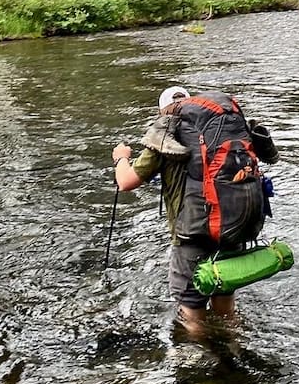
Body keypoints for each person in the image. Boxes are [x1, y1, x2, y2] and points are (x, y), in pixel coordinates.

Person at [112, 86, 278, 335]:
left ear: (163, 111)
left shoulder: (166, 134)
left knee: (191, 308)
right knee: (225, 303)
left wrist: (121, 157)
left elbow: (125, 182)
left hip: (192, 233)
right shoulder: (221, 130)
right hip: (231, 223)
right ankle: (233, 346)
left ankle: (201, 361)